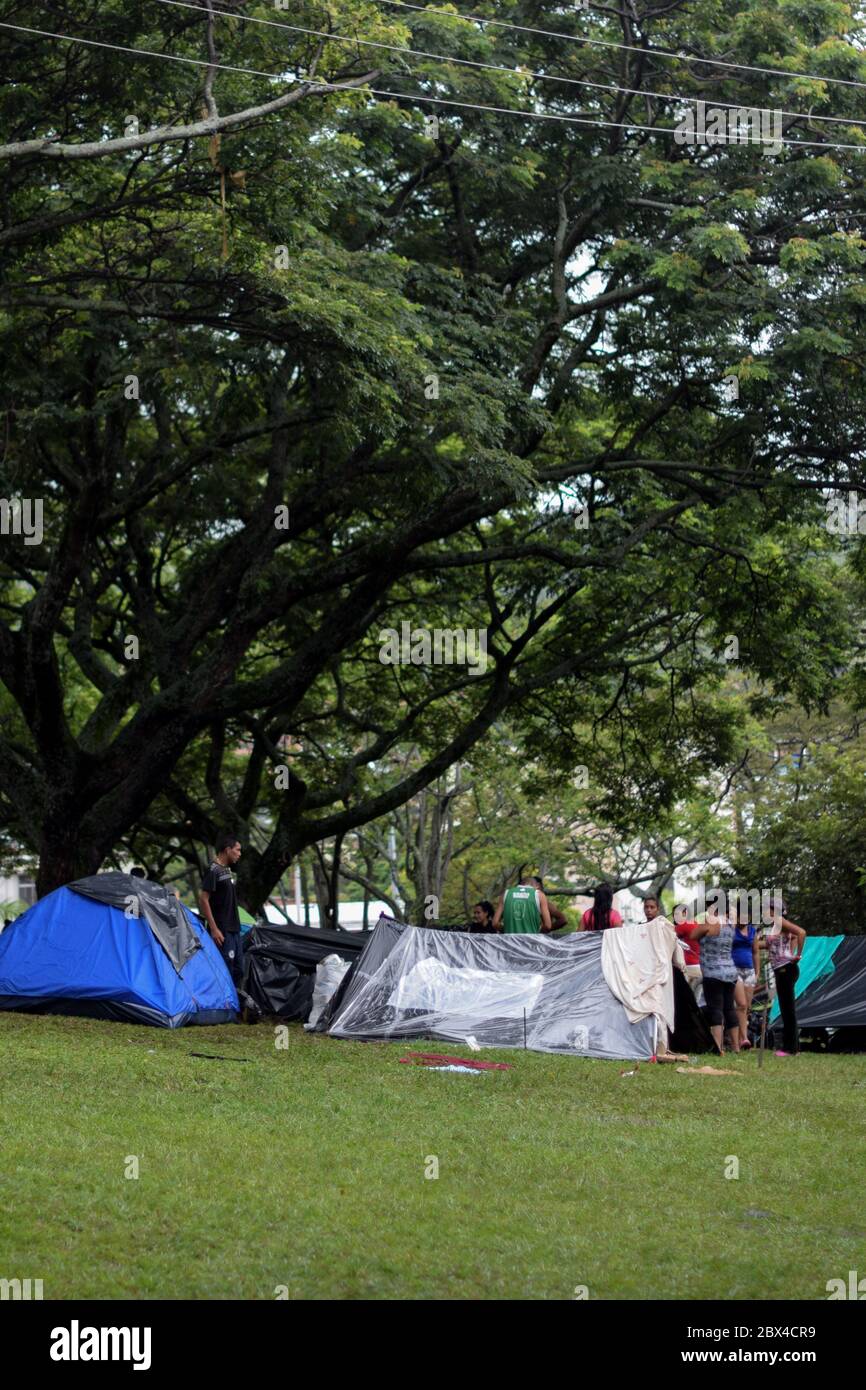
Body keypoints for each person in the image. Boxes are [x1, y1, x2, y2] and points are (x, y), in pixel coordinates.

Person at [690, 906, 740, 1054]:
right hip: (730, 972)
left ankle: (718, 1047)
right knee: (729, 1008)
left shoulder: (710, 922)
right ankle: (736, 1047)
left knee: (715, 1008)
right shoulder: (731, 923)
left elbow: (693, 934)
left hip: (713, 972)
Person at [760, 900, 806, 1057]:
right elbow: (785, 940)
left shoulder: (780, 921)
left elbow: (801, 932)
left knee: (788, 1010)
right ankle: (792, 1047)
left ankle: (791, 1049)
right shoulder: (775, 925)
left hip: (786, 969)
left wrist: (797, 955)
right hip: (781, 969)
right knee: (786, 1009)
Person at [198, 833, 244, 987]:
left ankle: (236, 1006)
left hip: (234, 929)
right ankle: (225, 1008)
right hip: (222, 931)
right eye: (237, 850)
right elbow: (204, 899)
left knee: (239, 970)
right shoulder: (213, 869)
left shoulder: (227, 870)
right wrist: (214, 929)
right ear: (227, 849)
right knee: (226, 971)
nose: (239, 854)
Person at [732, 909, 761, 1050]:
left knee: (747, 1007)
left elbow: (756, 951)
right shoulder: (731, 930)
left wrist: (758, 971)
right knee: (739, 1005)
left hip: (749, 970)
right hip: (734, 969)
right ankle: (740, 1039)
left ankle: (741, 1040)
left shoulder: (752, 931)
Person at [672, 902, 702, 1001]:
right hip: (699, 967)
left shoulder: (683, 925)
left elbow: (668, 933)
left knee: (686, 1000)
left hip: (689, 967)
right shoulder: (695, 923)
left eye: (676, 914)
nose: (674, 917)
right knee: (695, 1000)